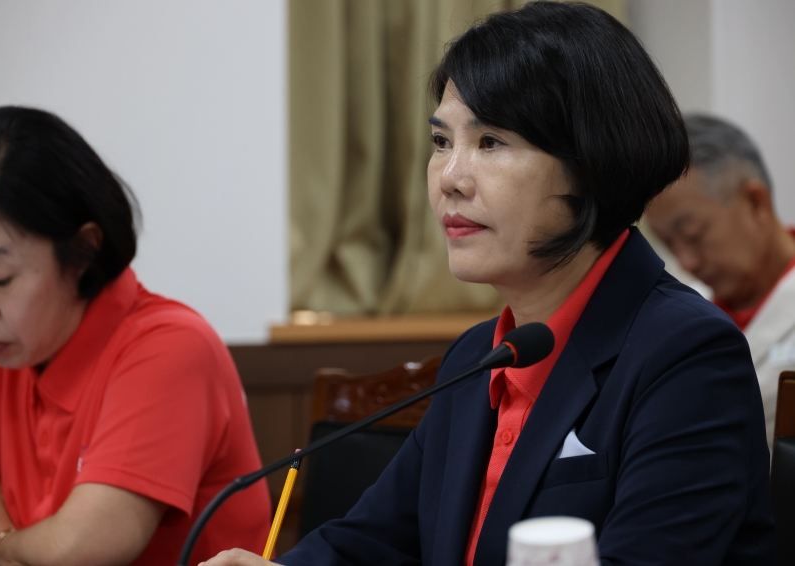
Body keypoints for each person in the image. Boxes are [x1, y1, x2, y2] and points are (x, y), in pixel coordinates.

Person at [203, 3, 775, 565]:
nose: (449, 179)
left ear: (593, 161)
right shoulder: (477, 357)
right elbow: (371, 542)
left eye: (490, 143)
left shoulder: (685, 353)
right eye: (441, 142)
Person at [0, 106, 271, 565]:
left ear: (83, 249)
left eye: (0, 277)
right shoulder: (5, 354)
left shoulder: (170, 349)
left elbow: (81, 550)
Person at [647, 114, 795, 451]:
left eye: (693, 235)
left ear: (755, 202)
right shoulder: (679, 315)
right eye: (668, 243)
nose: (687, 262)